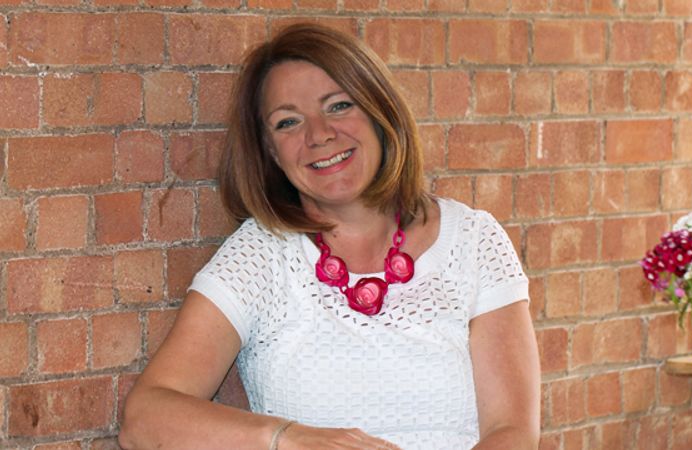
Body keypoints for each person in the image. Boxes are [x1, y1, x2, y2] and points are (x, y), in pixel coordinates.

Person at [119, 23, 540, 450]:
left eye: (338, 106)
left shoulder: (473, 240)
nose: (319, 134)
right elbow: (144, 419)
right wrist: (289, 438)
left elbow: (512, 432)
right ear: (270, 151)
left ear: (379, 112)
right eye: (288, 122)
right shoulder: (260, 255)